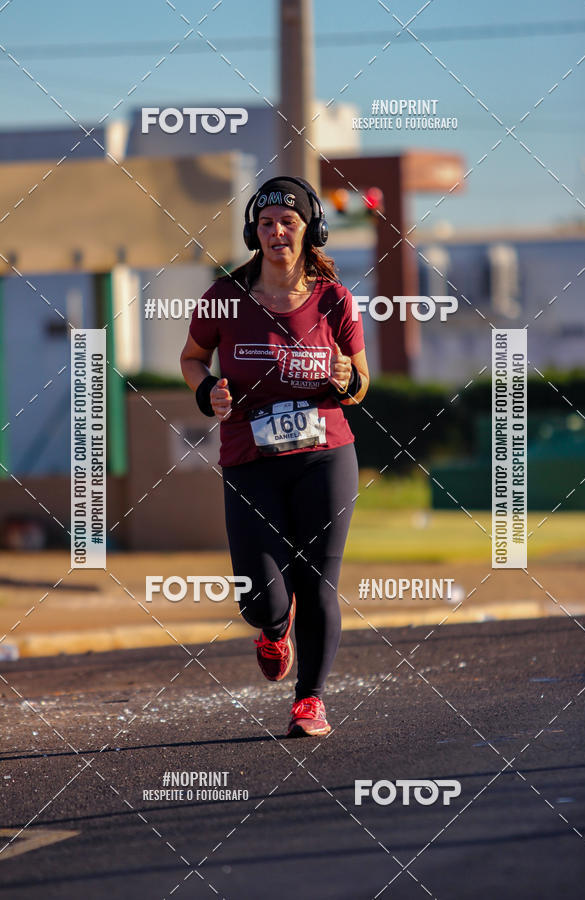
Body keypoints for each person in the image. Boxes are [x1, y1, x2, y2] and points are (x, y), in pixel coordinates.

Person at [180, 176, 369, 737]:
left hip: (325, 456)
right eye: (266, 223)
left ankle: (309, 700)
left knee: (317, 582)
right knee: (260, 598)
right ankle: (271, 627)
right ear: (253, 233)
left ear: (310, 230)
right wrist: (205, 389)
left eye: (288, 222)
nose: (277, 232)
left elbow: (362, 385)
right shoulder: (224, 298)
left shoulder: (334, 300)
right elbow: (192, 358)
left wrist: (345, 377)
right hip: (249, 459)